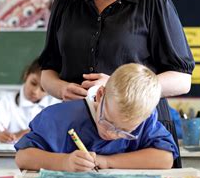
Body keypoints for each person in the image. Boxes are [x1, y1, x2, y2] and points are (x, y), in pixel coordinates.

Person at [38, 0, 194, 168]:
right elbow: (47, 73)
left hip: (140, 136)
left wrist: (121, 88)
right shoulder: (66, 2)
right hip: (78, 133)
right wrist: (62, 88)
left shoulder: (151, 2)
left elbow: (182, 80)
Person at [15, 63, 179, 171]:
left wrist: (107, 162)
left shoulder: (144, 121)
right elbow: (23, 157)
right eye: (108, 122)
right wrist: (64, 162)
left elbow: (165, 158)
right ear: (100, 94)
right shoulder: (60, 117)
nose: (111, 134)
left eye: (124, 132)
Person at [0, 58, 60, 143]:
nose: (35, 91)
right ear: (26, 74)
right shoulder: (8, 100)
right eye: (33, 83)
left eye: (43, 89)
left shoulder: (55, 104)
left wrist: (27, 133)